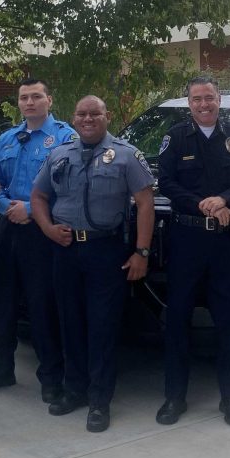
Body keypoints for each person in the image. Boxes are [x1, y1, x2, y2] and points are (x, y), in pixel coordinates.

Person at [30, 95, 154, 434]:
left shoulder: (126, 155)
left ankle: (100, 400)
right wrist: (47, 228)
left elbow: (145, 203)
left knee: (102, 327)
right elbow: (38, 197)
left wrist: (141, 253)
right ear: (74, 117)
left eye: (94, 113)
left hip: (106, 251)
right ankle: (75, 391)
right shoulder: (59, 154)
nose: (88, 119)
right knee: (70, 323)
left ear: (107, 116)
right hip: (66, 251)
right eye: (82, 114)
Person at [156, 76, 230, 427]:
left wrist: (226, 199)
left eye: (209, 98)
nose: (204, 104)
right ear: (189, 104)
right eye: (197, 99)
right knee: (177, 319)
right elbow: (166, 183)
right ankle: (174, 396)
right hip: (186, 240)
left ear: (220, 99)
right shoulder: (175, 137)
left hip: (225, 242)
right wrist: (203, 204)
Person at [0, 79, 76, 403]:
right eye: (24, 98)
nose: (30, 102)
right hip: (7, 226)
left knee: (43, 305)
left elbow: (68, 185)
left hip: (44, 228)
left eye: (36, 96)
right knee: (0, 301)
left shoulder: (66, 137)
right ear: (19, 103)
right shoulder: (7, 138)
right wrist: (5, 206)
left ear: (49, 99)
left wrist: (29, 208)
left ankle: (52, 378)